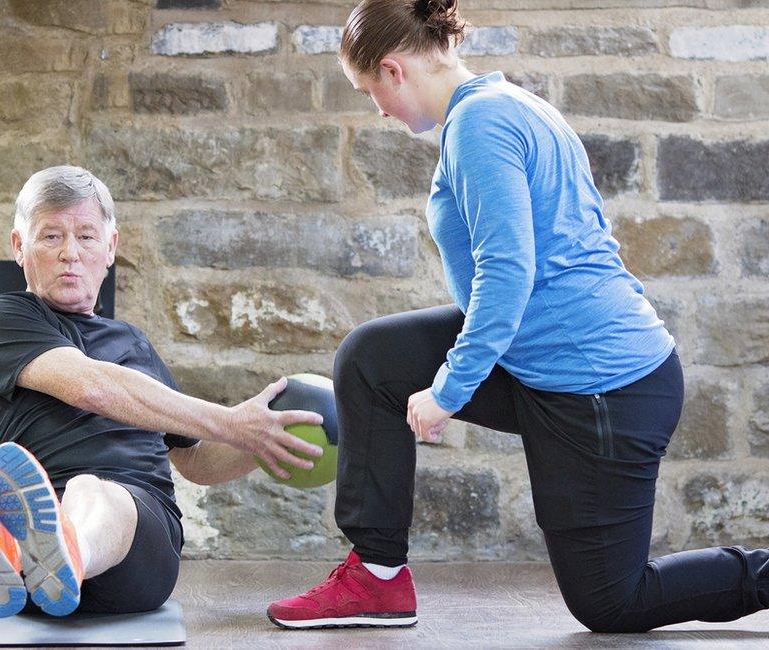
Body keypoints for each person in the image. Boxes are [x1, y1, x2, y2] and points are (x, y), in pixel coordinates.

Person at [268, 0, 769, 633]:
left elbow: (508, 274)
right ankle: (378, 578)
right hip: (548, 365)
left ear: (393, 71)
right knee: (374, 359)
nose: (379, 111)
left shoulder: (481, 124)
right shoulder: (506, 105)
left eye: (371, 91)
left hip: (605, 391)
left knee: (611, 602)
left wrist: (449, 392)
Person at [0, 165, 324, 618]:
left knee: (92, 492)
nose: (69, 253)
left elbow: (194, 459)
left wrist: (265, 437)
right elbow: (91, 386)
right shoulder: (2, 317)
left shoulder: (133, 343)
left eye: (86, 236)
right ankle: (28, 553)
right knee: (78, 491)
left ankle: (47, 555)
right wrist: (232, 421)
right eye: (51, 237)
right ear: (20, 247)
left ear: (111, 248)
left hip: (139, 548)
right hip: (36, 535)